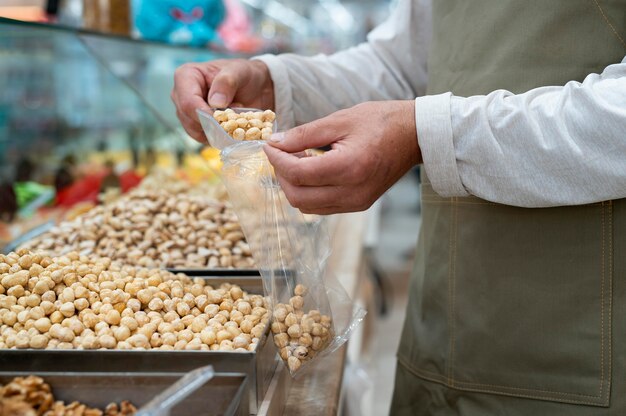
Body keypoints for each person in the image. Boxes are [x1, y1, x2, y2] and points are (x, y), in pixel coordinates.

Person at [172, 0, 626, 414]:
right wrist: (277, 84)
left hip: (582, 340)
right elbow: (402, 63)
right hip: (443, 328)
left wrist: (425, 134)